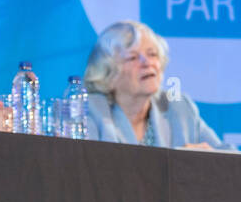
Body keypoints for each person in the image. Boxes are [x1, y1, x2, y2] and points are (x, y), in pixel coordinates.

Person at [82, 20, 228, 149]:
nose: (147, 63)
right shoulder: (90, 110)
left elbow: (233, 160)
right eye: (132, 58)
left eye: (152, 54)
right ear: (108, 74)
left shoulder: (179, 108)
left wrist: (209, 160)